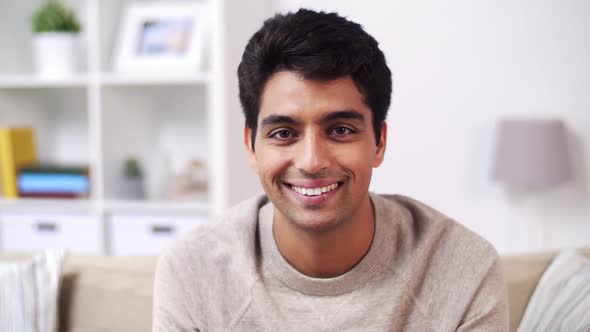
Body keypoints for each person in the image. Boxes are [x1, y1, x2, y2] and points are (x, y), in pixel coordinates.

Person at [153, 9, 509, 331]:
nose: (311, 161)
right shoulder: (192, 270)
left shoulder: (464, 268)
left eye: (340, 130)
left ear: (379, 142)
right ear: (251, 146)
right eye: (283, 133)